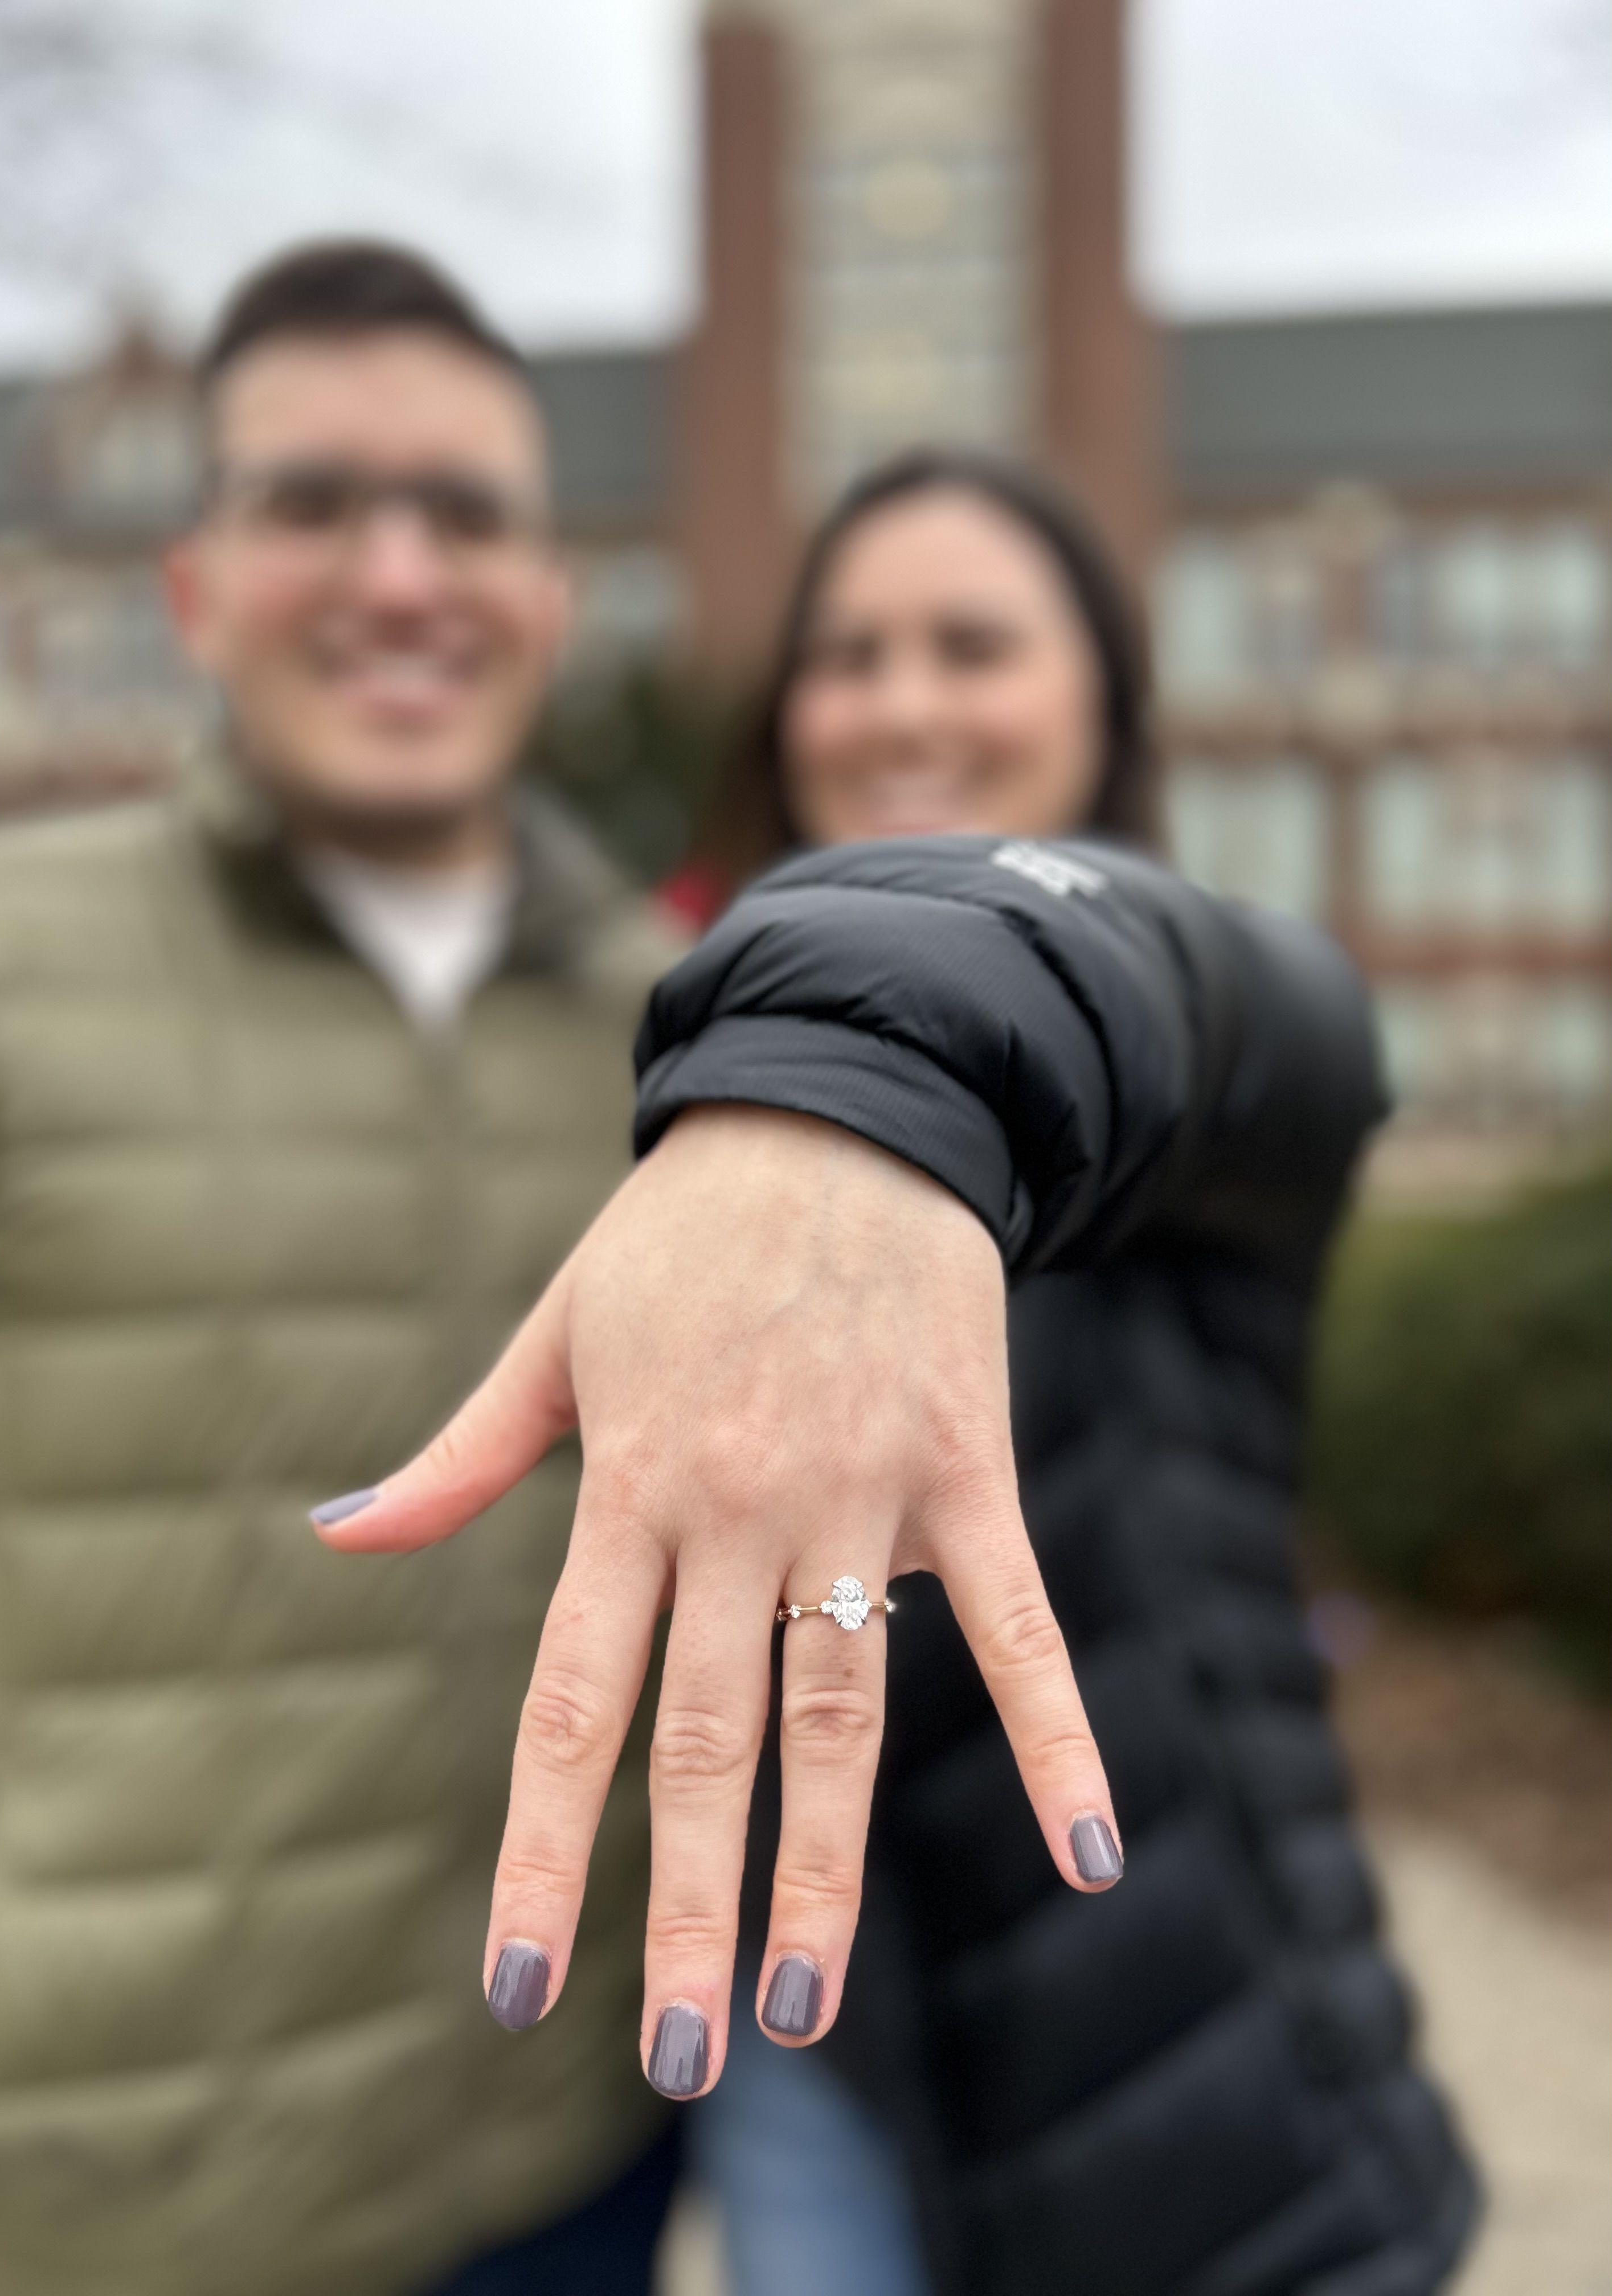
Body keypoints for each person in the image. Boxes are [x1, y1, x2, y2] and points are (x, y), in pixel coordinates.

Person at [316, 449, 1480, 2294]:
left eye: (974, 645)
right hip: (818, 2070)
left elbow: (1176, 979)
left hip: (1196, 2082)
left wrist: (869, 1080)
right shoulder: (683, 1060)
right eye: (847, 655)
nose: (905, 703)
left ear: (1106, 700)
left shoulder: (1216, 1015)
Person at [0, 240, 687, 2295]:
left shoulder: (685, 1027)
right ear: (195, 587)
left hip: (556, 2163)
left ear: (552, 596)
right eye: (311, 503)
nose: (397, 577)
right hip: (58, 2199)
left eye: (466, 516)